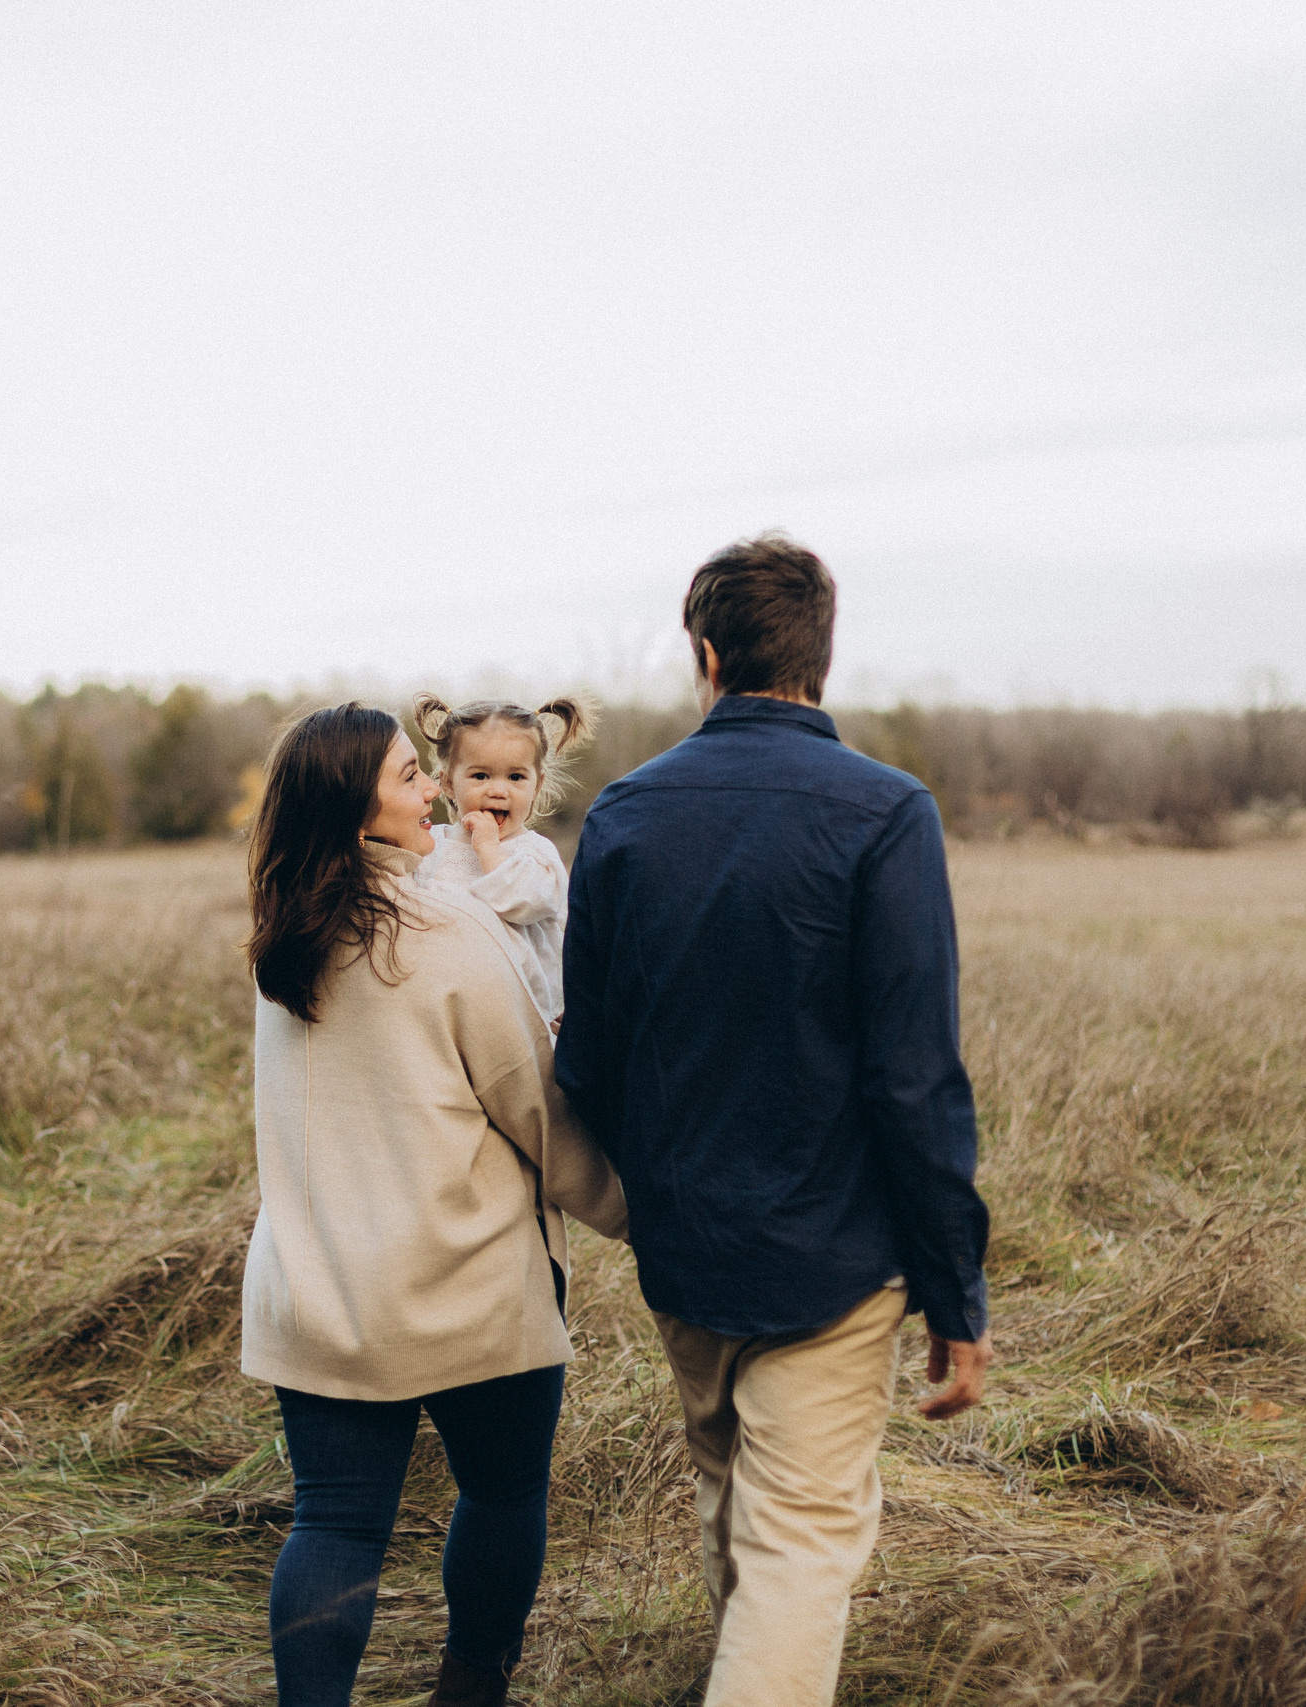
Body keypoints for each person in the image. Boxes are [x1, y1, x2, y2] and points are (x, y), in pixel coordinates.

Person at [554, 535, 993, 1707]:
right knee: (799, 1545)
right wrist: (955, 1294)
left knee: (736, 1503)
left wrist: (658, 1188)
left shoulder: (624, 817)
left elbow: (582, 1062)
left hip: (685, 1250)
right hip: (833, 1261)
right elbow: (915, 1077)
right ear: (821, 657)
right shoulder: (887, 812)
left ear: (703, 654)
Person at [240, 702, 629, 1707]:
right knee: (502, 1495)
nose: (436, 796)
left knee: (331, 1523)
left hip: (318, 1287)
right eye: (412, 777)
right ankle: (470, 1692)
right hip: (468, 1288)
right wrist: (637, 1216)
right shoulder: (446, 930)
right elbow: (539, 1111)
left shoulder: (284, 938)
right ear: (355, 807)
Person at [408, 692, 597, 1028]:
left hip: (526, 1016)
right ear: (448, 783)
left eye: (515, 777)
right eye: (480, 776)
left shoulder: (536, 854)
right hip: (447, 1004)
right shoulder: (432, 844)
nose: (498, 790)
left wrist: (489, 850)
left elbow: (526, 902)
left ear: (537, 785)